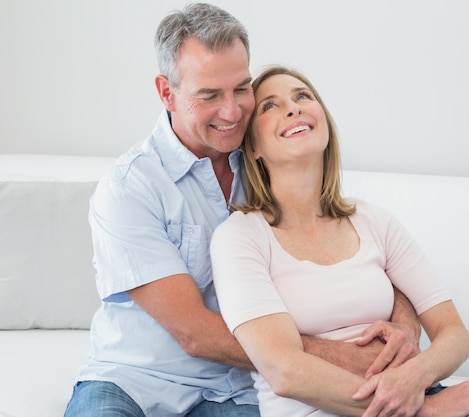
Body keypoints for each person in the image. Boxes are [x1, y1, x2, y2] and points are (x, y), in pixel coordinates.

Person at [63, 4, 424, 417]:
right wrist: (339, 355)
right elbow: (195, 334)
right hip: (135, 383)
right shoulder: (129, 188)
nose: (232, 113)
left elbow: (354, 250)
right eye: (209, 96)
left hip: (242, 390)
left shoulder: (267, 159)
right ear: (167, 92)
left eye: (241, 88)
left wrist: (405, 328)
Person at [210, 66, 469, 417]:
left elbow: (454, 334)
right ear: (253, 149)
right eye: (270, 106)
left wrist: (418, 377)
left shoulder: (373, 220)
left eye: (302, 97)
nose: (293, 108)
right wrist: (424, 410)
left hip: (414, 392)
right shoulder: (240, 237)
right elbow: (285, 372)